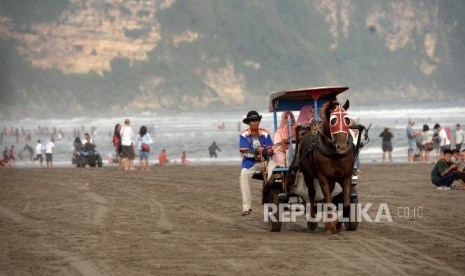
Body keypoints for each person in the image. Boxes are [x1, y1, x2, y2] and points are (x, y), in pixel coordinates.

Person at [239, 110, 273, 216]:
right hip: (250, 163)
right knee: (243, 174)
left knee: (274, 171)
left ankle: (271, 195)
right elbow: (245, 152)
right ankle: (246, 207)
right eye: (253, 120)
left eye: (257, 120)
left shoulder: (265, 133)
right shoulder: (243, 134)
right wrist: (259, 150)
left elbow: (269, 150)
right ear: (249, 122)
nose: (256, 122)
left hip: (266, 161)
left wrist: (268, 151)